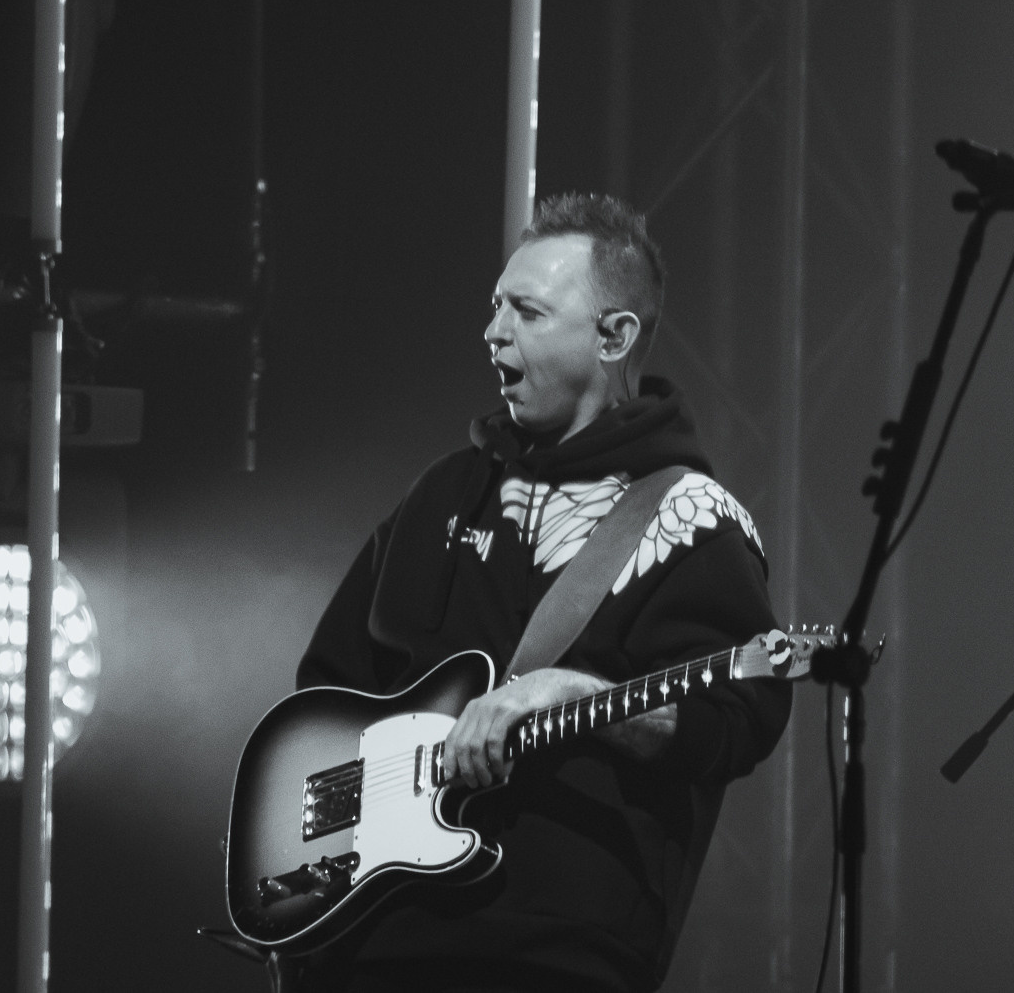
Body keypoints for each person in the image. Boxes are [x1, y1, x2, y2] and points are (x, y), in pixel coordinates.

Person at [294, 193, 792, 993]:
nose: (494, 332)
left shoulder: (691, 518)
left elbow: (741, 719)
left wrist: (575, 691)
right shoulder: (442, 492)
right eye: (496, 307)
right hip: (371, 936)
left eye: (526, 311)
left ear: (612, 336)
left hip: (552, 952)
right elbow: (328, 680)